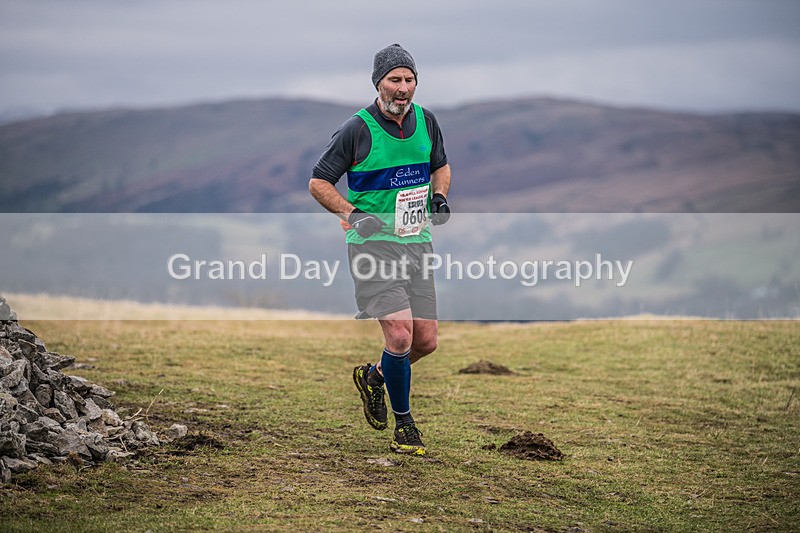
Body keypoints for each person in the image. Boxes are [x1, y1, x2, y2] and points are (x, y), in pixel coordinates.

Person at [308, 44, 452, 456]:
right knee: (401, 332)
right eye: (395, 80)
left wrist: (439, 196)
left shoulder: (427, 121)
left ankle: (375, 376)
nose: (403, 88)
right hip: (372, 247)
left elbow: (440, 164)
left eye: (409, 80)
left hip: (416, 244)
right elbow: (319, 183)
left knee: (425, 341)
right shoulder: (356, 129)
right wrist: (353, 214)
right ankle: (405, 426)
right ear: (378, 84)